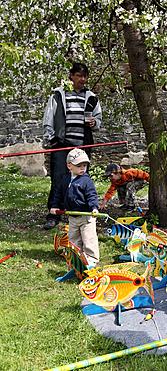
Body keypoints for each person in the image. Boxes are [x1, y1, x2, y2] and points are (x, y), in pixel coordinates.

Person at [43, 62, 102, 230]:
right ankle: (53, 214)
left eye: (84, 76)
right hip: (62, 145)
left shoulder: (91, 97)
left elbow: (98, 120)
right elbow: (49, 117)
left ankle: (78, 214)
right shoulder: (58, 94)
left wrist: (94, 122)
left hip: (82, 147)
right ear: (71, 76)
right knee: (59, 179)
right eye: (79, 76)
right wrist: (51, 139)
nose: (82, 79)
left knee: (81, 180)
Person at [49, 148, 100, 267]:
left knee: (88, 238)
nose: (83, 168)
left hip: (86, 216)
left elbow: (92, 195)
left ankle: (91, 259)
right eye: (79, 165)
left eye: (84, 165)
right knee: (73, 238)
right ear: (69, 166)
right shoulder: (65, 180)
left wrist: (94, 208)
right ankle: (75, 257)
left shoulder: (86, 181)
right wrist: (55, 206)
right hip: (72, 216)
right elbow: (59, 194)